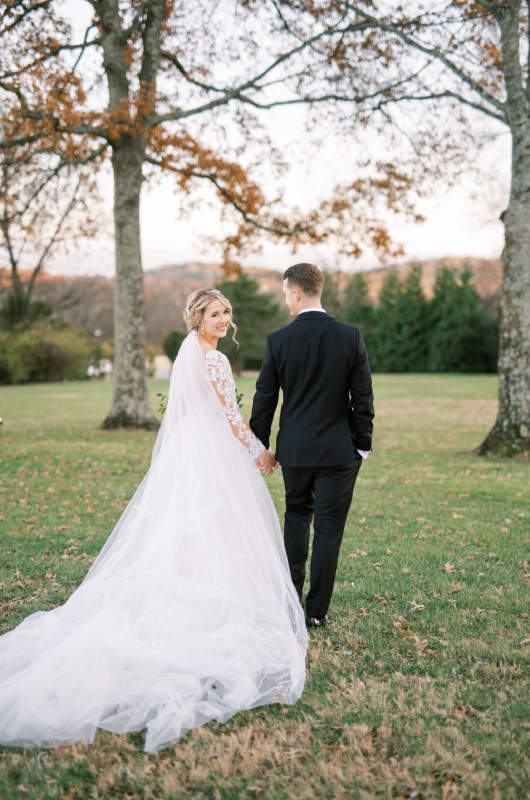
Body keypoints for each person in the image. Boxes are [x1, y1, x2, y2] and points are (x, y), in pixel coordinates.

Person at [0, 289, 307, 753]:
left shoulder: (188, 352)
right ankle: (210, 606)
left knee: (188, 525)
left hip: (187, 450)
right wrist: (259, 451)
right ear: (197, 318)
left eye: (226, 312)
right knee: (216, 526)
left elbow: (191, 412)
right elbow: (229, 417)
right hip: (211, 454)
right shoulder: (216, 361)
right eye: (214, 314)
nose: (224, 319)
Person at [250, 263, 374, 629]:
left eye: (285, 292)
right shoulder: (350, 336)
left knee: (297, 516)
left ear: (296, 291)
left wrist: (262, 446)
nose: (285, 298)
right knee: (329, 530)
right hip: (340, 452)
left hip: (296, 451)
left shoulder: (278, 340)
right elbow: (363, 398)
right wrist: (361, 445)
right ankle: (316, 613)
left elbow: (265, 399)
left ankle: (290, 604)